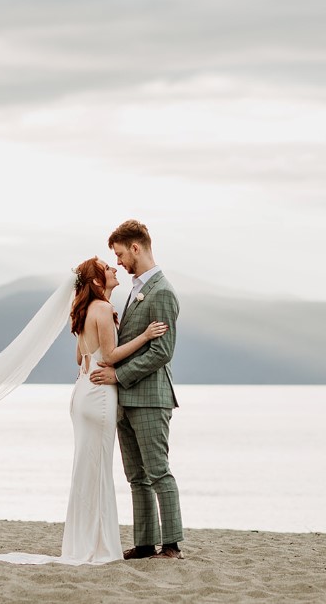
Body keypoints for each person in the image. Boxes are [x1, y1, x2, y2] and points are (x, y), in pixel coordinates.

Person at [0, 256, 166, 566]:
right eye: (107, 268)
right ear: (97, 281)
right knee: (98, 471)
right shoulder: (103, 309)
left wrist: (93, 357)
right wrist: (145, 336)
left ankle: (83, 542)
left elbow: (79, 357)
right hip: (99, 395)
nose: (114, 269)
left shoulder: (84, 311)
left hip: (83, 392)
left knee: (86, 471)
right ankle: (97, 547)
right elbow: (109, 356)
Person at [90, 219, 183, 560]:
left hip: (150, 398)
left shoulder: (162, 291)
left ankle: (171, 546)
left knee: (158, 471)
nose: (117, 262)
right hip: (126, 399)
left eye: (120, 254)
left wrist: (118, 376)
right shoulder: (136, 289)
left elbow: (162, 352)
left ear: (135, 247)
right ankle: (145, 544)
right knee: (136, 477)